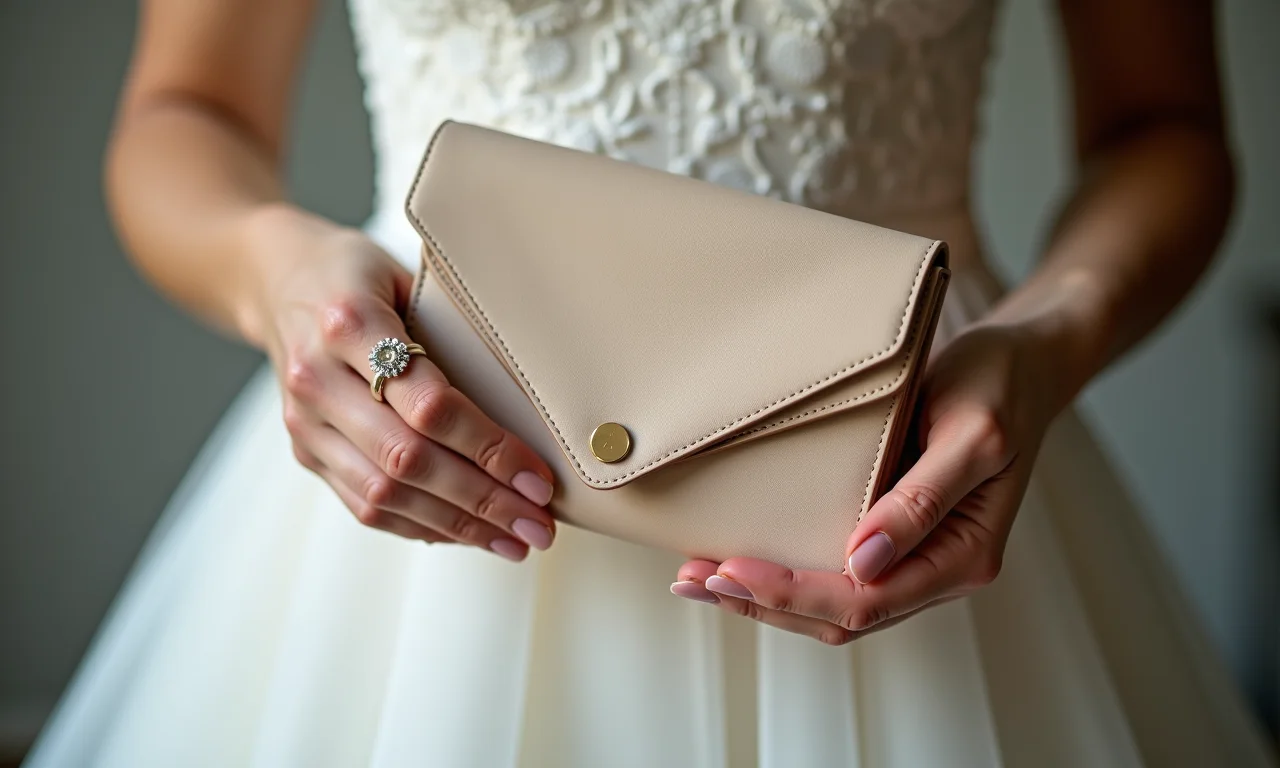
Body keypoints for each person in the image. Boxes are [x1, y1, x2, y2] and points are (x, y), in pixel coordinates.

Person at [25, 1, 1277, 765]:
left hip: (910, 447)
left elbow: (1162, 127)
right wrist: (280, 276)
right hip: (423, 435)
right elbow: (184, 113)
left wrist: (1046, 338)